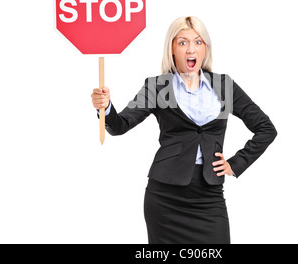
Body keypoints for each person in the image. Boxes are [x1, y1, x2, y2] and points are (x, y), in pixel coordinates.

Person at [91, 16, 277, 244]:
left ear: (205, 48)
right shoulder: (159, 86)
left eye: (198, 42)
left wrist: (235, 164)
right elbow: (120, 125)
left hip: (209, 198)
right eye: (183, 42)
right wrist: (105, 108)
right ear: (172, 48)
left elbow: (266, 129)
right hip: (165, 198)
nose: (191, 49)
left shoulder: (224, 86)